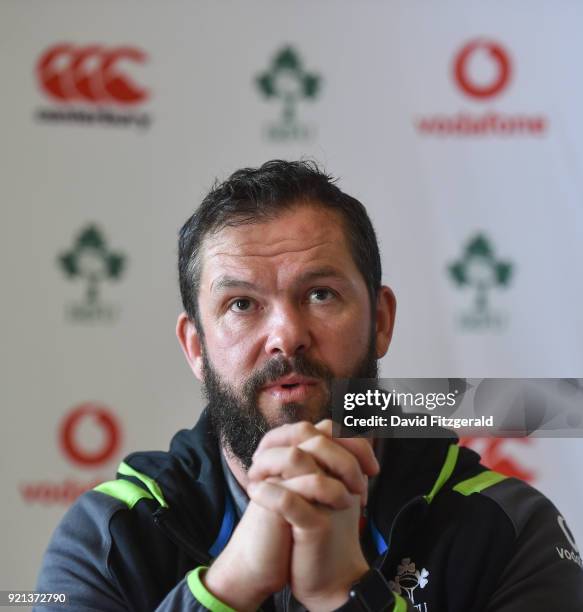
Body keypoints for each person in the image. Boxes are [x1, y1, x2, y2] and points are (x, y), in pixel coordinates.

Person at [36, 160, 583, 611]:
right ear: (197, 348)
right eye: (241, 304)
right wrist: (226, 588)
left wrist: (341, 592)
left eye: (320, 294)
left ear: (381, 321)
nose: (287, 336)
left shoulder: (508, 528)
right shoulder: (109, 535)